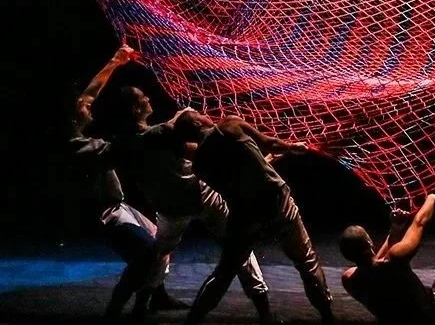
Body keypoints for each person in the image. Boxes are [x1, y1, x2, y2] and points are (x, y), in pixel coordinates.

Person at [105, 85, 273, 322]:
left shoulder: (123, 141)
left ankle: (140, 305)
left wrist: (181, 118)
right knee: (238, 246)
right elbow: (187, 143)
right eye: (143, 97)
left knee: (160, 253)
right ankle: (264, 309)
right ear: (135, 109)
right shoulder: (160, 133)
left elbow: (166, 132)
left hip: (169, 207)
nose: (148, 97)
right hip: (201, 198)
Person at [173, 110, 334, 325]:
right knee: (306, 261)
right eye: (199, 114)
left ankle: (193, 320)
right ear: (196, 122)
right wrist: (291, 147)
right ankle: (327, 317)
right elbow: (269, 143)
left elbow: (237, 177)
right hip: (277, 204)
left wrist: (264, 161)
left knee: (224, 273)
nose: (205, 114)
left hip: (244, 215)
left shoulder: (199, 166)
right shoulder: (229, 125)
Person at [69, 45, 182, 319]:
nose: (88, 106)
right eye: (83, 107)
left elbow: (90, 93)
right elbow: (128, 146)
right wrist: (174, 125)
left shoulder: (79, 131)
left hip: (118, 205)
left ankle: (156, 296)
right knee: (146, 255)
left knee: (161, 242)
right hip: (104, 212)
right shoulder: (79, 148)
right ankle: (116, 309)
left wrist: (115, 61)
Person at [339, 192, 435, 324]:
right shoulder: (395, 260)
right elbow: (419, 223)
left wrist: (395, 228)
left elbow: (373, 266)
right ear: (370, 242)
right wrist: (431, 199)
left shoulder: (348, 279)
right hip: (426, 319)